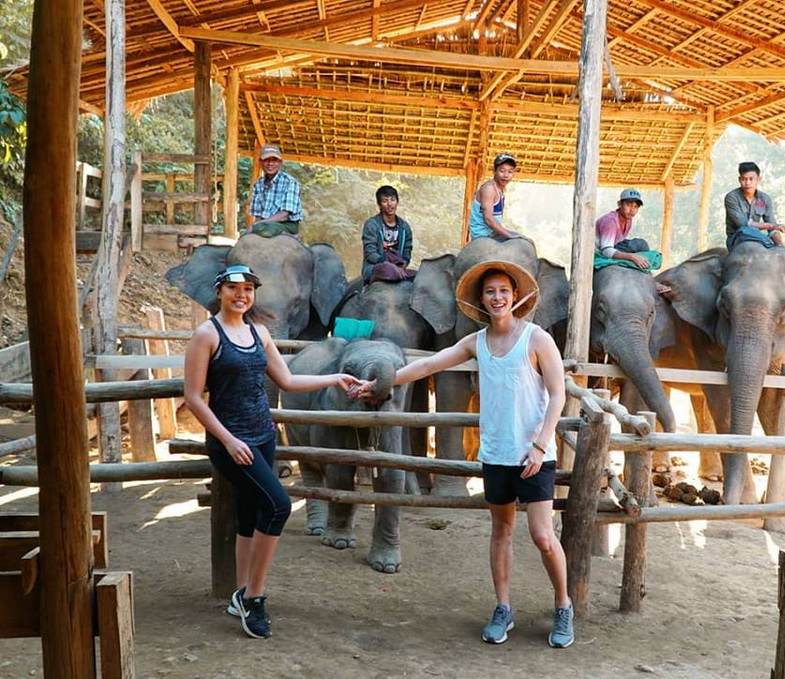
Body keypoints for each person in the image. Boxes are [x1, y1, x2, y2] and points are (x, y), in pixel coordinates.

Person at [351, 260, 574, 648]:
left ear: (516, 296)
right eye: (490, 292)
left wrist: (540, 444)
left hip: (534, 454)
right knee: (501, 532)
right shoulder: (477, 342)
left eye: (504, 290)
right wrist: (380, 382)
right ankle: (503, 608)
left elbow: (558, 394)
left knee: (541, 535)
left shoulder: (537, 339)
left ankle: (563, 606)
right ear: (481, 300)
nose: (498, 297)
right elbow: (428, 364)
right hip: (496, 454)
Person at [183, 264, 360, 640]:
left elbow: (289, 380)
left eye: (248, 289)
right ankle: (254, 597)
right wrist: (228, 440)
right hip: (231, 443)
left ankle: (240, 595)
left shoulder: (258, 332)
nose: (241, 295)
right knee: (279, 506)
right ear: (219, 292)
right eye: (234, 288)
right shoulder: (206, 335)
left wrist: (335, 377)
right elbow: (194, 399)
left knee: (251, 515)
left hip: (263, 437)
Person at [595, 188, 670, 293]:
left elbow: (620, 241)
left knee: (641, 244)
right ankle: (649, 279)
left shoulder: (628, 220)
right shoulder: (610, 221)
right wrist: (632, 257)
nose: (632, 209)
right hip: (600, 252)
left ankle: (648, 275)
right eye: (628, 205)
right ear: (619, 204)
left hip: (615, 245)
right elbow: (606, 250)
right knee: (638, 252)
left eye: (635, 206)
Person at [724, 161, 785, 250]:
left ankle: (777, 249)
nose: (747, 183)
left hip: (758, 238)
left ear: (758, 179)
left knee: (777, 245)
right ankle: (769, 246)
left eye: (751, 179)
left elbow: (772, 227)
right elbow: (743, 224)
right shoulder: (731, 197)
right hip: (737, 238)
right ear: (739, 180)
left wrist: (781, 246)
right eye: (743, 179)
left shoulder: (764, 198)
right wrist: (772, 226)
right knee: (746, 230)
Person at [361, 185, 417, 283]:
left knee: (419, 276)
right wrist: (387, 264)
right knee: (387, 271)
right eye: (385, 201)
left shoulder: (404, 227)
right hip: (377, 266)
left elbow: (407, 250)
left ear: (397, 202)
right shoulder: (372, 225)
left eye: (393, 200)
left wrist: (404, 263)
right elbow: (370, 253)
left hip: (398, 267)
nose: (390, 204)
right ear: (379, 204)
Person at [246, 144, 303, 237]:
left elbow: (285, 214)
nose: (270, 163)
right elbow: (258, 215)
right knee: (248, 234)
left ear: (280, 162)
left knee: (265, 230)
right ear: (260, 162)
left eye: (274, 160)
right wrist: (255, 226)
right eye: (266, 160)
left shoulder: (289, 182)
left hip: (286, 224)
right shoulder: (258, 184)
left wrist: (258, 225)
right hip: (265, 224)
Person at [468, 153, 521, 241]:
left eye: (510, 172)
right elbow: (488, 219)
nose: (506, 175)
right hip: (482, 236)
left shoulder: (501, 189)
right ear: (494, 171)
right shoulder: (489, 189)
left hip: (492, 233)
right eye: (502, 171)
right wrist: (509, 234)